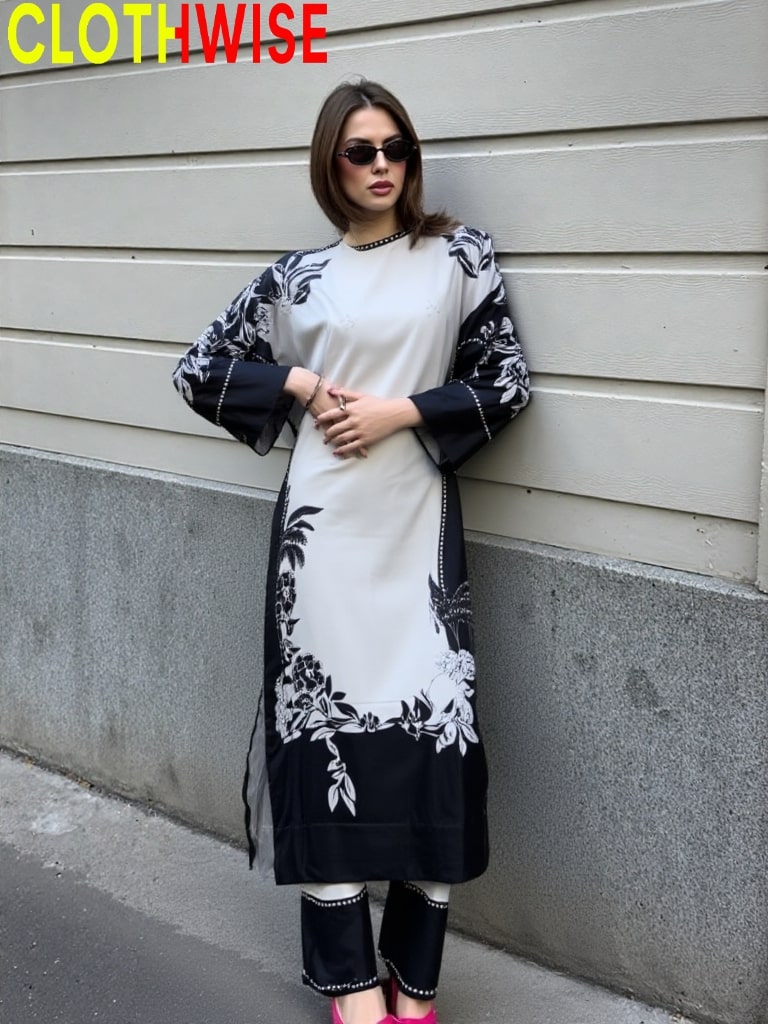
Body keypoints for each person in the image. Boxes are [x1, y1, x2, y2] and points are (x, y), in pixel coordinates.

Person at [172, 79, 530, 1024]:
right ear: (330, 164)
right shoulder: (297, 279)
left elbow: (507, 380)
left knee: (433, 752)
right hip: (323, 547)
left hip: (417, 539)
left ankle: (416, 982)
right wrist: (293, 378)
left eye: (396, 149)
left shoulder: (458, 257)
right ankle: (351, 985)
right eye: (361, 152)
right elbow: (197, 369)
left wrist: (401, 409)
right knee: (323, 738)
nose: (382, 167)